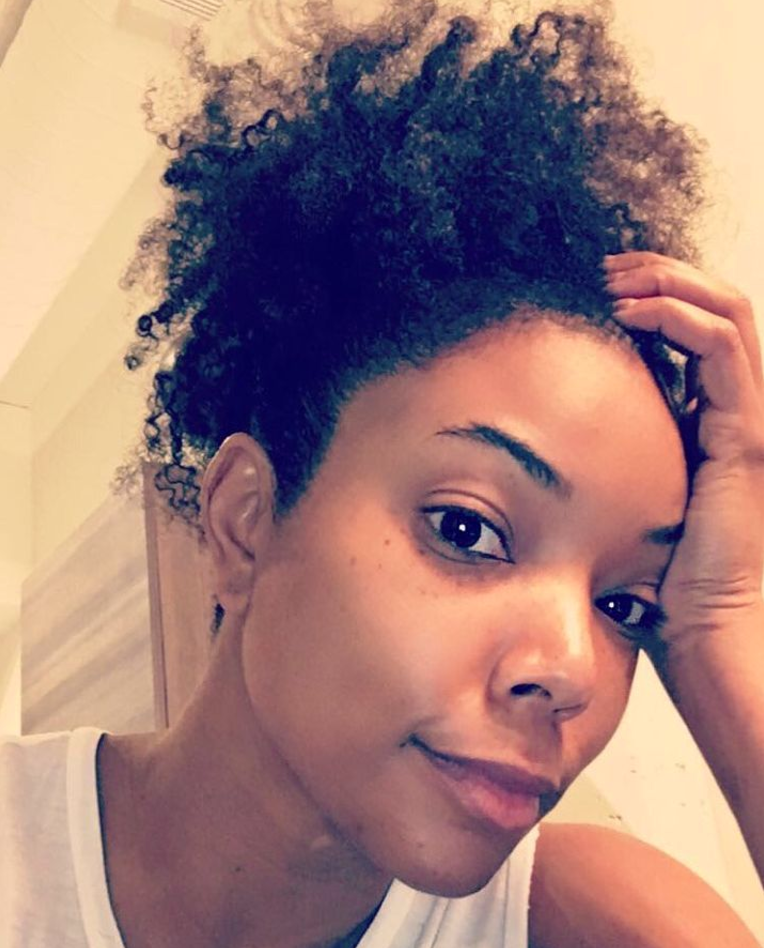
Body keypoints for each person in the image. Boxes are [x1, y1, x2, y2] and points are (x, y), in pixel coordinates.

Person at [2, 2, 763, 946]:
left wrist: (722, 619)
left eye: (624, 606)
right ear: (245, 521)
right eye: (468, 530)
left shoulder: (580, 919)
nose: (571, 671)